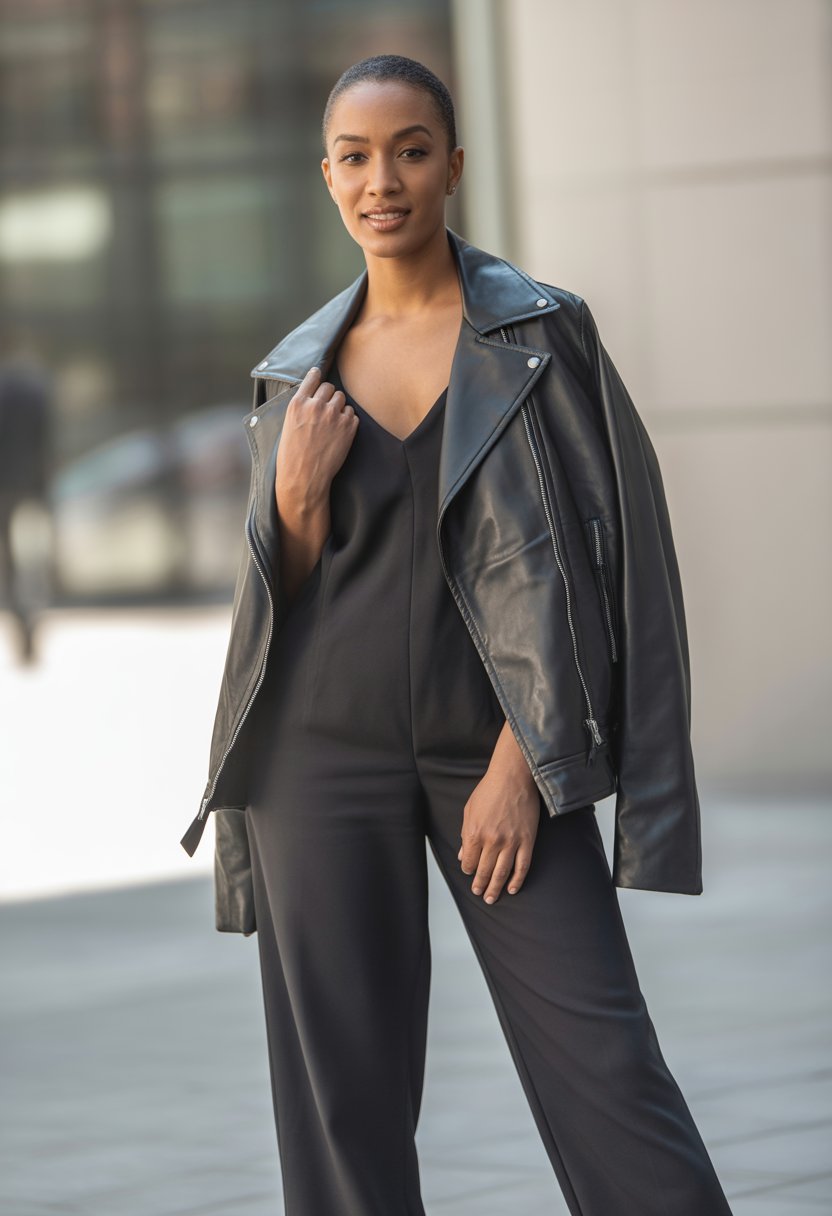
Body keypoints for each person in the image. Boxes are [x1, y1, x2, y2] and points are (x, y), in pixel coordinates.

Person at [180, 53, 735, 1216]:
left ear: (453, 166)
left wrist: (522, 763)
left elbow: (611, 559)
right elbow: (274, 600)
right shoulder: (294, 373)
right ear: (327, 175)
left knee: (605, 1066)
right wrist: (294, 499)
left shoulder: (538, 336)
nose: (382, 180)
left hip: (494, 750)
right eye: (355, 157)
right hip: (317, 755)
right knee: (342, 1103)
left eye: (410, 151)